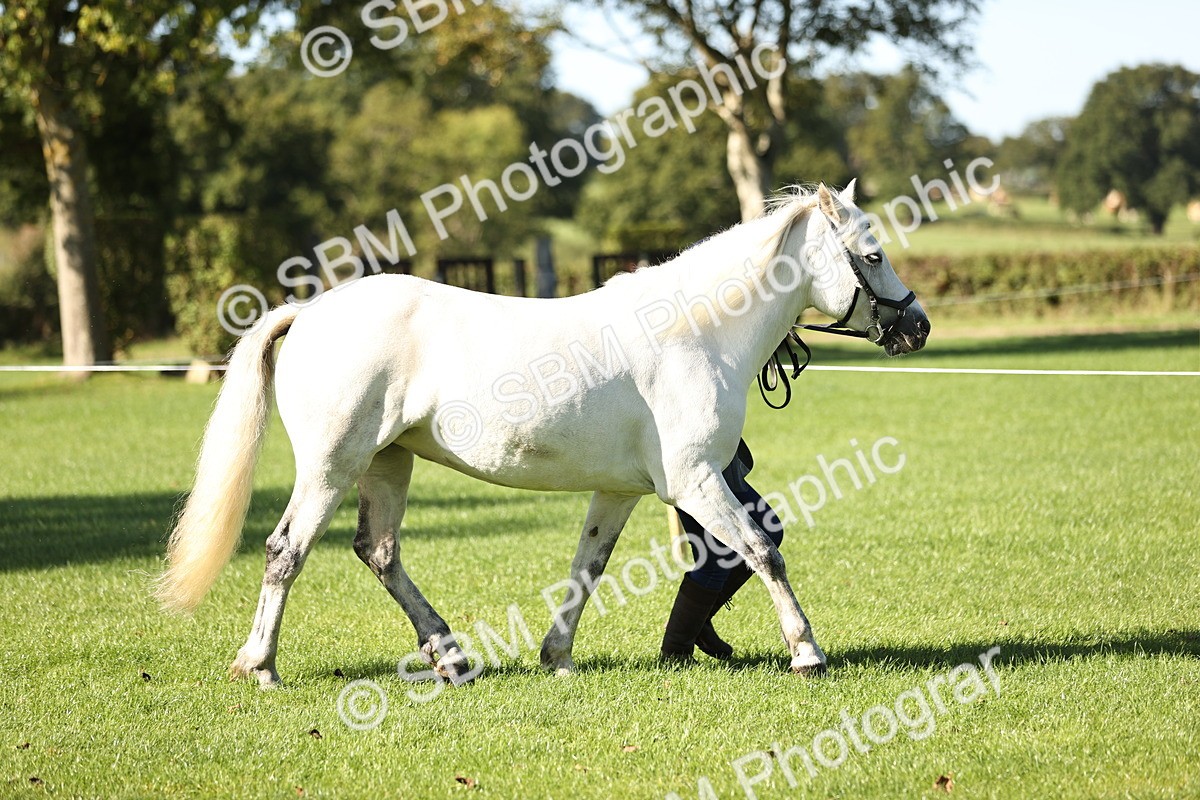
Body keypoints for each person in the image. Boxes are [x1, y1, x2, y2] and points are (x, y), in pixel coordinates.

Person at [661, 439, 784, 661]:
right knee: (715, 556)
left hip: (711, 449)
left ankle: (695, 622)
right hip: (688, 455)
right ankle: (676, 651)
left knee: (769, 530)